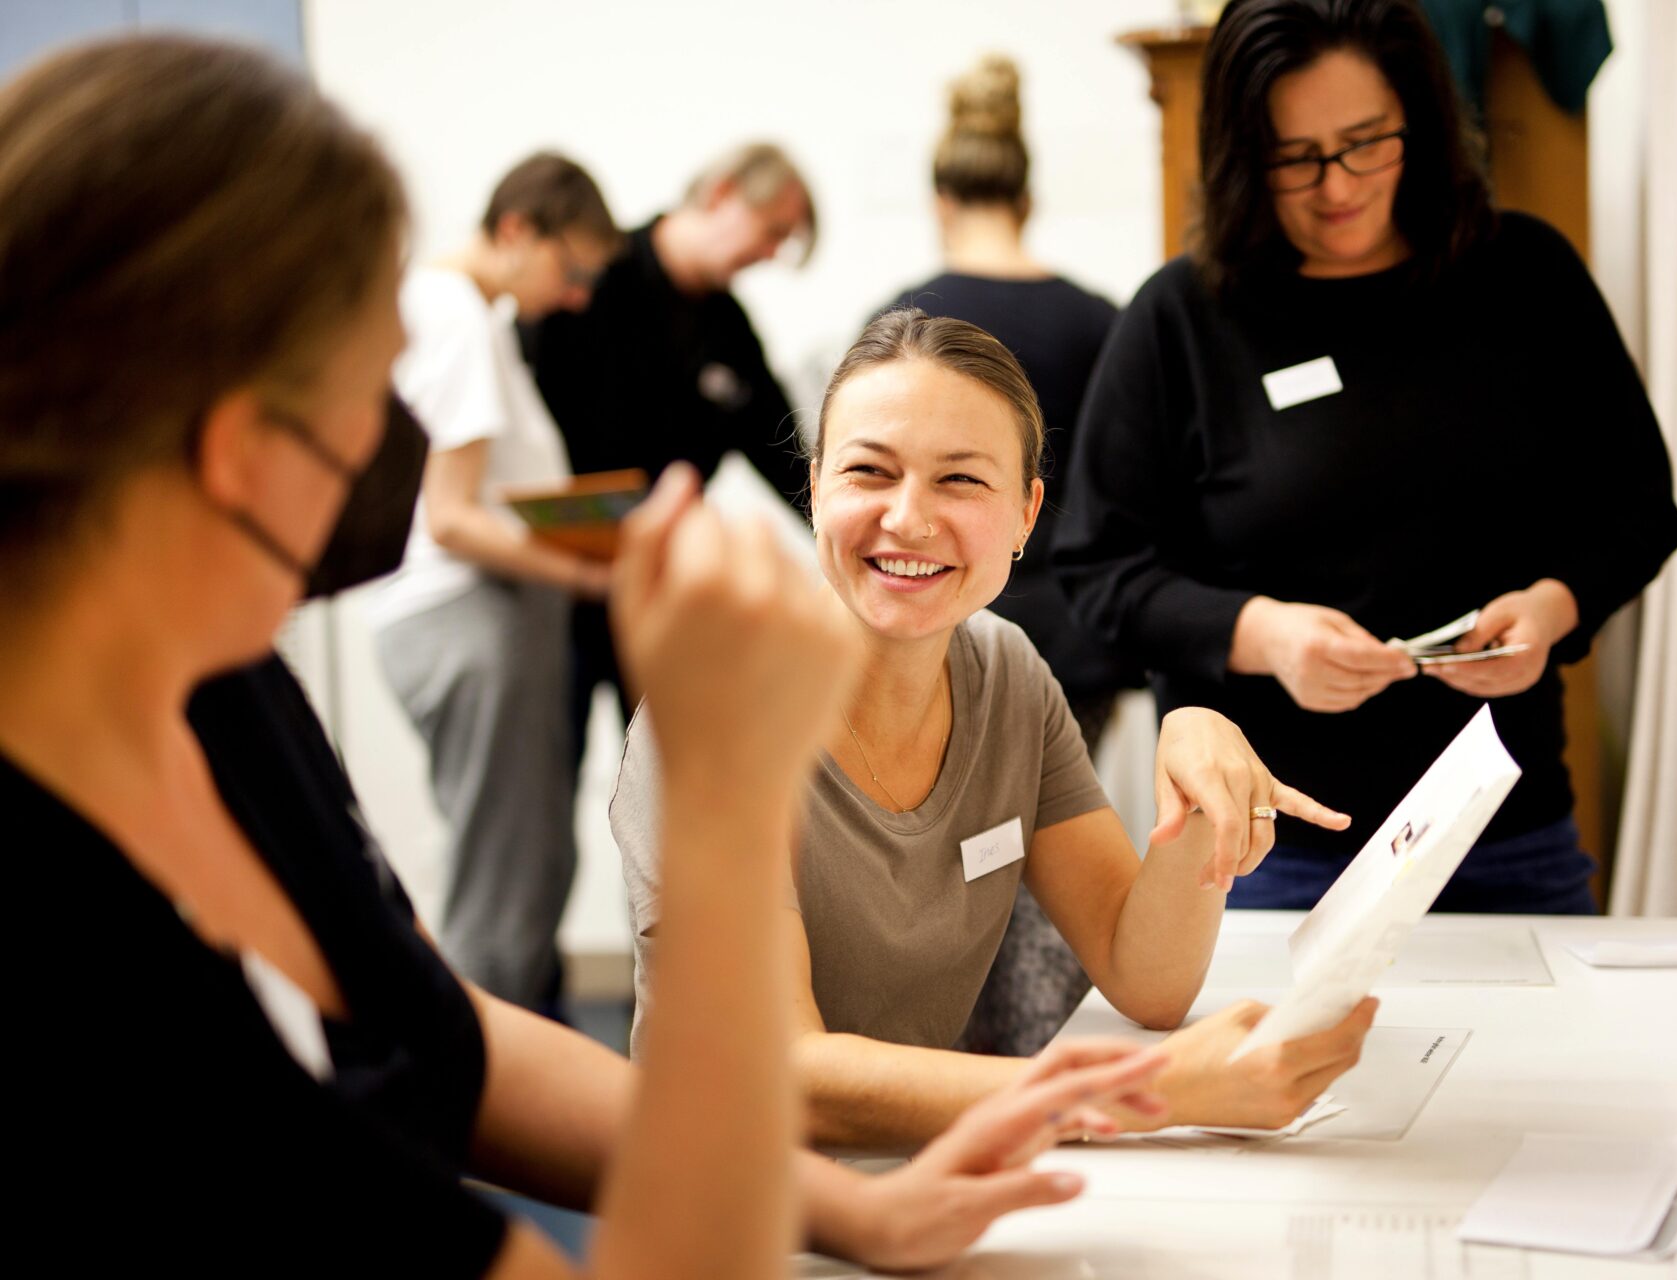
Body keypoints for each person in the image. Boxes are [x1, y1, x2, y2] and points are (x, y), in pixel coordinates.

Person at [2, 36, 1178, 1276]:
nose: (393, 441)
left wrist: (850, 1210)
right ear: (244, 448)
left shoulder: (229, 695)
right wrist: (727, 805)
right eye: (372, 389)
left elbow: (451, 1041)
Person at [616, 309, 1379, 1149]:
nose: (908, 519)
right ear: (817, 485)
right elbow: (784, 1076)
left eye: (961, 480)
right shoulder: (714, 711)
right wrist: (1148, 1090)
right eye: (869, 471)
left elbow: (1144, 977)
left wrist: (1199, 754)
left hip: (926, 1195)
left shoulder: (1005, 675)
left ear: (1026, 514)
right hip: (729, 1225)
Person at [1053, 0, 1677, 913]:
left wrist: (1553, 609)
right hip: (1264, 845)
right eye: (1296, 156)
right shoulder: (1183, 317)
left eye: (1365, 143)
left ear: (1419, 124)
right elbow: (1099, 569)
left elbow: (1638, 509)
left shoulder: (1527, 276)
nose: (1338, 186)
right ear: (1241, 152)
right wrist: (1264, 636)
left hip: (1504, 834)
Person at [881, 54, 1142, 1057]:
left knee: (953, 877)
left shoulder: (910, 319)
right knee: (1048, 878)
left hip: (942, 638)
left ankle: (984, 1082)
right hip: (1075, 638)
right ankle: (1037, 1077)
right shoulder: (1100, 319)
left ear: (939, 195)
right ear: (1028, 192)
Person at [362, 153, 627, 1011]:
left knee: (527, 868)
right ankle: (490, 1122)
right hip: (471, 619)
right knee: (504, 891)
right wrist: (591, 577)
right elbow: (452, 518)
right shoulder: (455, 317)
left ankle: (516, 1100)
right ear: (517, 230)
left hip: (481, 621)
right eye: (573, 269)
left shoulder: (469, 316)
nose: (580, 295)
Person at [523, 142, 819, 768]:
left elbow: (787, 458)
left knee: (674, 787)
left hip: (658, 595)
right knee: (540, 799)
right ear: (721, 195)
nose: (770, 255)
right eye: (771, 233)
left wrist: (856, 532)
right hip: (557, 593)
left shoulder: (729, 329)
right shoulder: (590, 280)